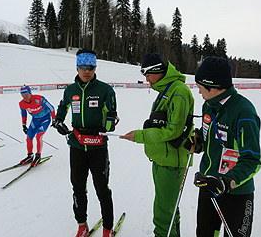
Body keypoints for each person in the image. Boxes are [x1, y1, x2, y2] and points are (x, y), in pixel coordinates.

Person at [120, 53, 194, 237]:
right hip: (161, 159)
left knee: (163, 211)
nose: (146, 80)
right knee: (169, 208)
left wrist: (140, 135)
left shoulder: (179, 91)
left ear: (157, 71)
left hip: (172, 162)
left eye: (147, 74)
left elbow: (173, 131)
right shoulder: (166, 90)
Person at [193, 57, 261, 237]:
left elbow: (252, 160)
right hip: (208, 185)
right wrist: (197, 141)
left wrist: (226, 181)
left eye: (200, 86)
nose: (198, 90)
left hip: (236, 192)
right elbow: (207, 136)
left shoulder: (243, 111)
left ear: (214, 86)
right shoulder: (209, 106)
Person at [52, 49, 119, 237]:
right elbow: (62, 108)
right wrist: (58, 121)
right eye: (83, 67)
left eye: (91, 67)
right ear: (77, 67)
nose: (87, 71)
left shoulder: (105, 90)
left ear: (95, 67)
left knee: (102, 189)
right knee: (78, 187)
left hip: (97, 146)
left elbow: (111, 117)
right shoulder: (70, 90)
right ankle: (81, 225)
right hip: (77, 146)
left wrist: (106, 126)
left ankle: (107, 228)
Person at [18, 85, 55, 167]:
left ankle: (38, 155)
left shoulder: (39, 99)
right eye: (22, 94)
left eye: (26, 94)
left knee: (38, 136)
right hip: (35, 121)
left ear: (30, 93)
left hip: (45, 119)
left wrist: (54, 120)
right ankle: (30, 156)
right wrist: (24, 125)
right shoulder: (22, 104)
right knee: (29, 137)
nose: (25, 96)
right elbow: (23, 114)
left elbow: (51, 108)